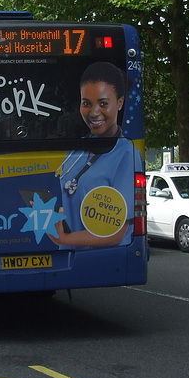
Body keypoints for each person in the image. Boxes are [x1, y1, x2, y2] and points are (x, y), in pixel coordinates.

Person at [49, 61, 143, 248]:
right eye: (86, 103)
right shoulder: (76, 150)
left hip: (104, 260)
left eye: (103, 104)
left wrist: (65, 240)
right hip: (68, 256)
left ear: (120, 103)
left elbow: (117, 233)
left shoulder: (127, 155)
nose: (93, 112)